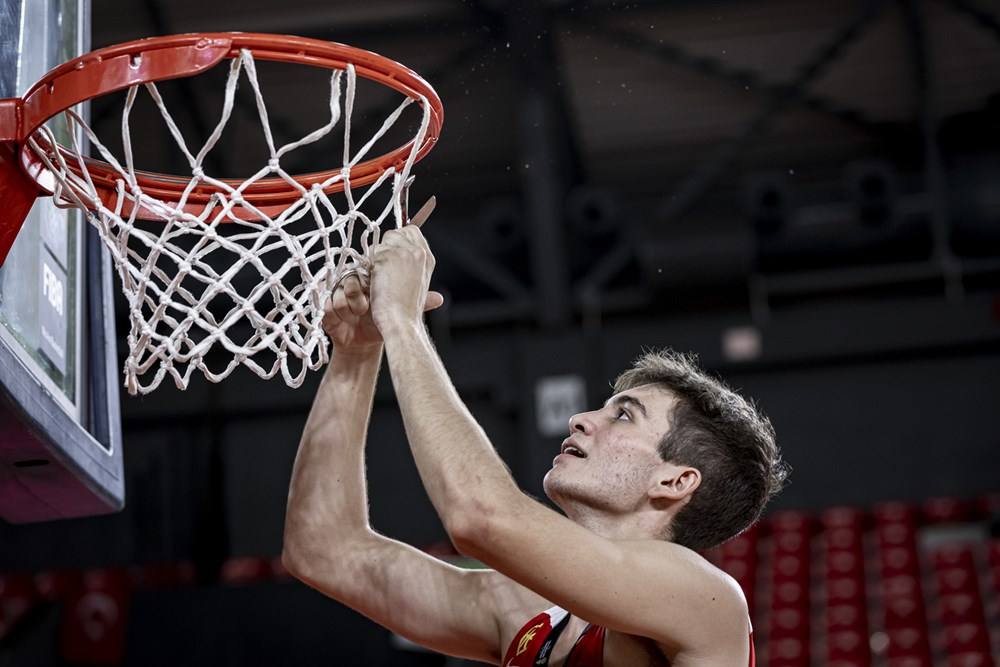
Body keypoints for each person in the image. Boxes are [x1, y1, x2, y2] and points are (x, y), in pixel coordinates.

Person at [282, 198, 789, 666]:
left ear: (675, 481)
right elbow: (324, 550)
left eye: (624, 415)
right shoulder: (522, 610)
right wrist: (355, 353)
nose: (582, 419)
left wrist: (405, 324)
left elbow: (480, 517)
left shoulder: (705, 597)